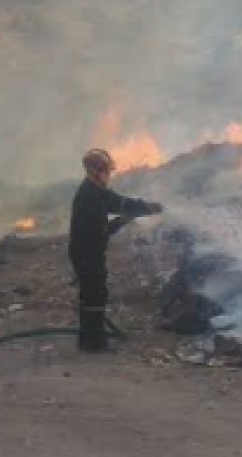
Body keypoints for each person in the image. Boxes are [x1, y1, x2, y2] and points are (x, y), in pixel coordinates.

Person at [69, 148, 162, 352]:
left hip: (86, 252)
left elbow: (120, 202)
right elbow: (102, 232)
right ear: (96, 172)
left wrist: (145, 207)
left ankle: (88, 340)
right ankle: (95, 343)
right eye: (106, 172)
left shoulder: (95, 191)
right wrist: (124, 220)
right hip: (87, 253)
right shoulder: (89, 197)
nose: (108, 176)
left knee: (92, 294)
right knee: (95, 294)